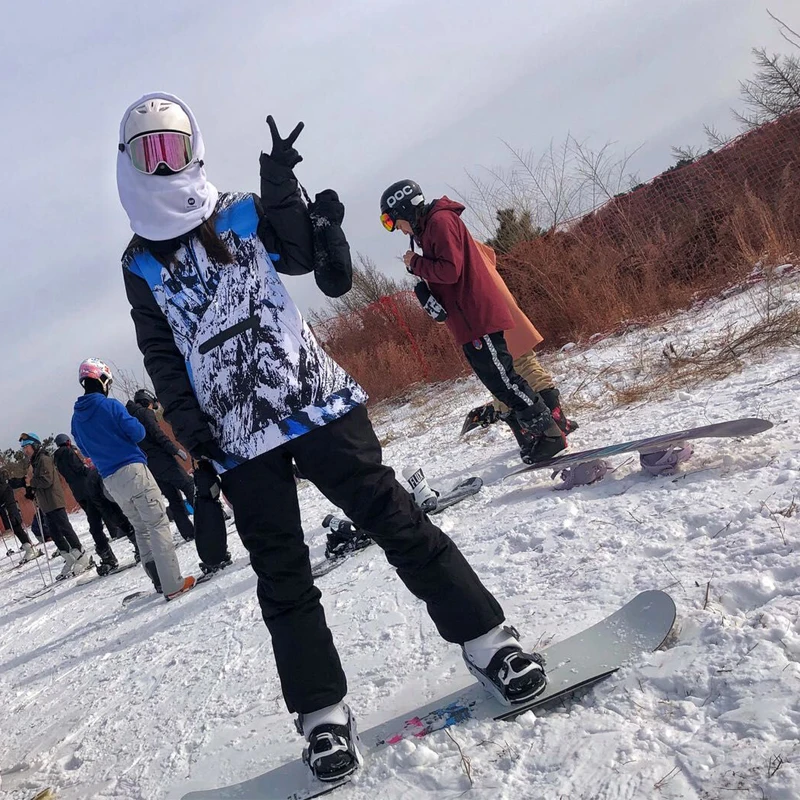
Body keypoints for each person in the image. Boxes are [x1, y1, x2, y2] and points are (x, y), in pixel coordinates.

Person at [115, 92, 546, 781]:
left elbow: (302, 258)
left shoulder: (236, 211)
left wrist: (282, 190)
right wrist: (192, 430)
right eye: (148, 153)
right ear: (129, 163)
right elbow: (161, 352)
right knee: (281, 574)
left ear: (194, 149)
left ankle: (490, 641)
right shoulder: (138, 263)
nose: (164, 167)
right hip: (237, 435)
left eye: (174, 148)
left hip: (313, 400)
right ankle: (322, 719)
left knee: (398, 519)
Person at [380, 180, 566, 464]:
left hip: (477, 317)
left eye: (395, 222)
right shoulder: (431, 228)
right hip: (467, 321)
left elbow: (451, 270)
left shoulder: (440, 222)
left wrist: (416, 264)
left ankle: (549, 433)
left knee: (507, 379)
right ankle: (539, 434)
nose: (398, 230)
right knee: (499, 382)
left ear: (406, 209)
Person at [70, 358, 195, 600]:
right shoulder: (111, 406)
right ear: (102, 379)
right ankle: (172, 584)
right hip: (132, 470)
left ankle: (158, 580)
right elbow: (138, 432)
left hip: (111, 481)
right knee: (157, 524)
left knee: (141, 528)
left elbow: (85, 451)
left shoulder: (76, 419)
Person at [53, 434, 139, 572]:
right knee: (114, 515)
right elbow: (79, 469)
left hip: (80, 494)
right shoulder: (69, 452)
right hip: (90, 489)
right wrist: (91, 471)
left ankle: (107, 556)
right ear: (67, 442)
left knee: (95, 526)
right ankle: (138, 544)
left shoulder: (56, 459)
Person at [126, 389, 195, 541]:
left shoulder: (127, 419)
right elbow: (158, 434)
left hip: (149, 466)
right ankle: (208, 520)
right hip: (163, 460)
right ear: (147, 401)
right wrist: (175, 449)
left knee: (174, 499)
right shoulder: (145, 413)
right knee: (189, 486)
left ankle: (188, 532)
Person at [19, 433, 92, 579]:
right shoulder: (34, 462)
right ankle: (69, 557)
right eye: (23, 447)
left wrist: (30, 483)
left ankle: (81, 556)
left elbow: (46, 480)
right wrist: (30, 490)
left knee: (65, 528)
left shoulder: (44, 459)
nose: (25, 450)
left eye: (27, 446)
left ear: (34, 445)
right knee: (54, 532)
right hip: (45, 503)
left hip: (54, 500)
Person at [0, 466, 41, 563]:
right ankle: (28, 546)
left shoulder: (3, 481)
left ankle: (30, 548)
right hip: (4, 507)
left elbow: (8, 486)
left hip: (8, 506)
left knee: (16, 525)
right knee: (14, 527)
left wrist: (25, 481)